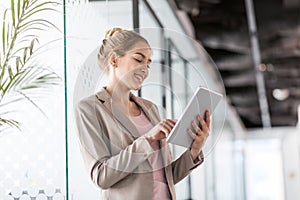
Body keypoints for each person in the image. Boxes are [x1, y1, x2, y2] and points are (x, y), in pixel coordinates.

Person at [74, 27, 210, 200]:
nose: (145, 69)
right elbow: (101, 176)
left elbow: (165, 178)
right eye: (139, 60)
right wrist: (148, 139)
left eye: (148, 63)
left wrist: (194, 150)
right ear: (114, 60)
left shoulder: (150, 109)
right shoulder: (90, 109)